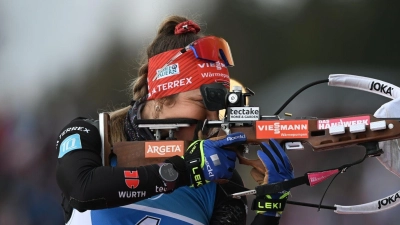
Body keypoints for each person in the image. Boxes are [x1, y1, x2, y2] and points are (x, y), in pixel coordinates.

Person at [56, 15, 294, 225]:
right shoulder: (89, 135)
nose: (212, 121)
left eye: (218, 108)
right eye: (202, 103)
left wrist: (270, 208)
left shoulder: (219, 178)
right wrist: (185, 170)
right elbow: (82, 189)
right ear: (162, 97)